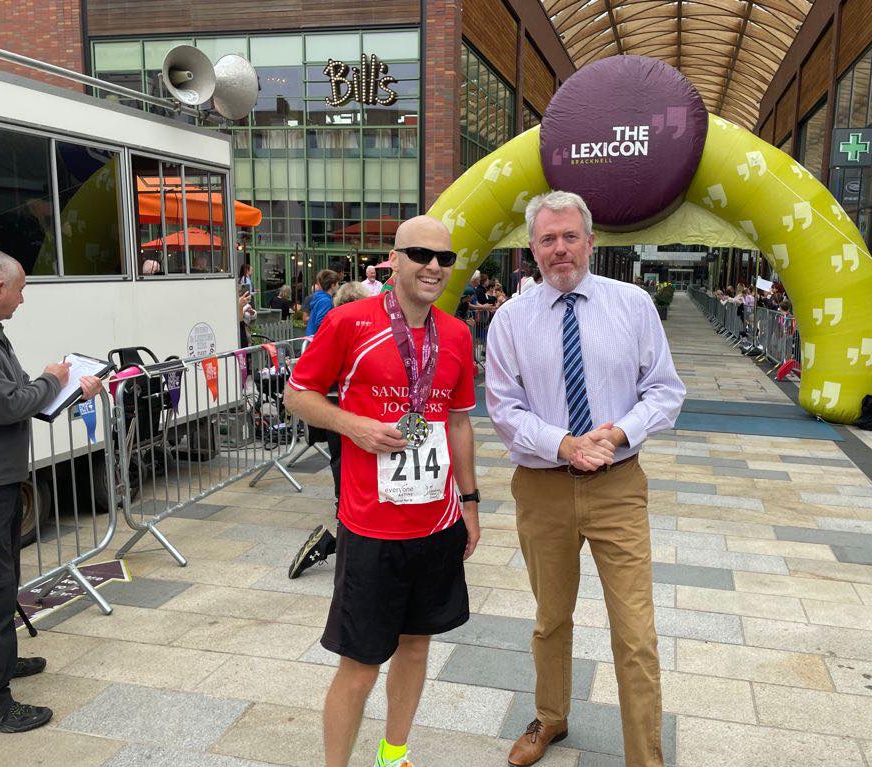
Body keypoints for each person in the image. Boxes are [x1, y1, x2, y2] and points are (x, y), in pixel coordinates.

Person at [485, 192, 686, 767]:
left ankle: (643, 758)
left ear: (591, 241)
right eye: (547, 239)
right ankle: (550, 717)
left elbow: (665, 390)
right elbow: (504, 409)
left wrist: (617, 434)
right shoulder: (511, 320)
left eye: (570, 236)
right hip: (543, 488)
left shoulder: (633, 305)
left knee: (636, 634)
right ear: (532, 248)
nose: (560, 249)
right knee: (551, 619)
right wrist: (565, 444)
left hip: (618, 487)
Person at [283, 216, 480, 767]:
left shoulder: (458, 333)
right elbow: (297, 396)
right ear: (393, 259)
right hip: (371, 525)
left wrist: (470, 503)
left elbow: (458, 423)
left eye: (445, 257)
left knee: (417, 645)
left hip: (437, 523)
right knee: (361, 661)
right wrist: (356, 426)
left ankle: (393, 755)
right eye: (420, 253)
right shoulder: (349, 322)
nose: (434, 266)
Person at [0, 249, 103, 733]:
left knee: (1, 584)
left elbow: (17, 393)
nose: (25, 299)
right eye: (22, 289)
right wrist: (54, 379)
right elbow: (8, 404)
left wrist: (60, 388)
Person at [287, 279, 372, 578]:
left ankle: (337, 535)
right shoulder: (357, 329)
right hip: (349, 415)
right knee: (351, 475)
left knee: (344, 470)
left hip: (340, 414)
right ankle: (335, 540)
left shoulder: (337, 327)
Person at [305, 270, 340, 337]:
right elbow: (321, 322)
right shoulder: (326, 301)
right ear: (333, 285)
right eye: (337, 283)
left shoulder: (320, 298)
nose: (338, 286)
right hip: (318, 338)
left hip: (312, 336)